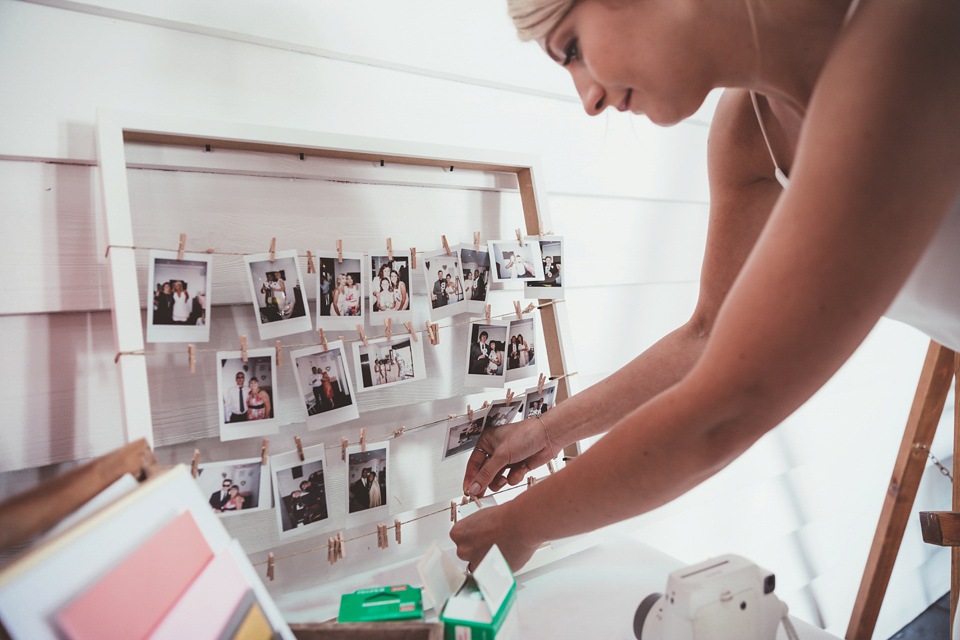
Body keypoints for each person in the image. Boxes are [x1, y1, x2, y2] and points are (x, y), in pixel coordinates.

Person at [450, 0, 960, 573]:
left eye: (572, 48)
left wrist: (523, 525)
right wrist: (546, 430)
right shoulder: (746, 131)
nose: (587, 98)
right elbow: (708, 337)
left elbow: (731, 402)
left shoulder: (903, 31)